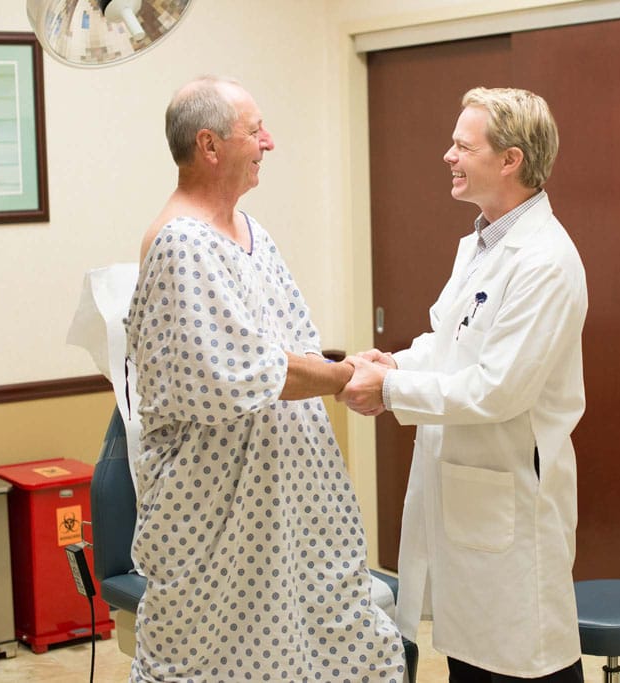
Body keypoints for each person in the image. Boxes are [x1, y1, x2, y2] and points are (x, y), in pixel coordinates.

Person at [124, 76, 405, 682]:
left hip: (290, 505)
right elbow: (245, 371)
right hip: (217, 519)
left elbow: (289, 349)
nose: (269, 142)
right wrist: (345, 377)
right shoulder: (181, 244)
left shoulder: (254, 234)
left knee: (335, 647)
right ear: (209, 145)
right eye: (255, 131)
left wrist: (344, 365)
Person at [338, 87, 588, 682]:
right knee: (472, 662)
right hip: (468, 499)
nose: (448, 156)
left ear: (510, 160)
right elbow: (450, 344)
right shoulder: (483, 245)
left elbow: (497, 389)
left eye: (463, 146)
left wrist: (389, 392)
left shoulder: (544, 261)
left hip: (511, 506)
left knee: (524, 661)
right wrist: (395, 365)